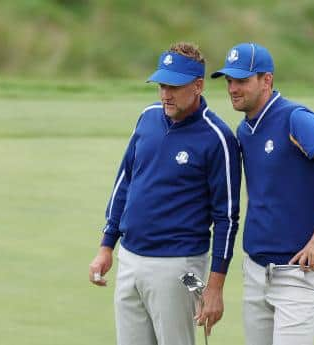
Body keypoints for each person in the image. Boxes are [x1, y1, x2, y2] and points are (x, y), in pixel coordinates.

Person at [88, 42, 241, 345]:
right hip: (130, 259)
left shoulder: (217, 137)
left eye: (174, 86)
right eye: (161, 85)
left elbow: (226, 218)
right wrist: (107, 246)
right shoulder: (147, 117)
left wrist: (214, 287)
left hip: (179, 267)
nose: (165, 94)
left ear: (197, 86)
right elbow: (125, 182)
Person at [211, 43, 314, 345]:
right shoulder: (244, 130)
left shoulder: (295, 119)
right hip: (256, 271)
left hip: (300, 274)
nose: (232, 88)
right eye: (229, 81)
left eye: (242, 80)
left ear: (266, 80)